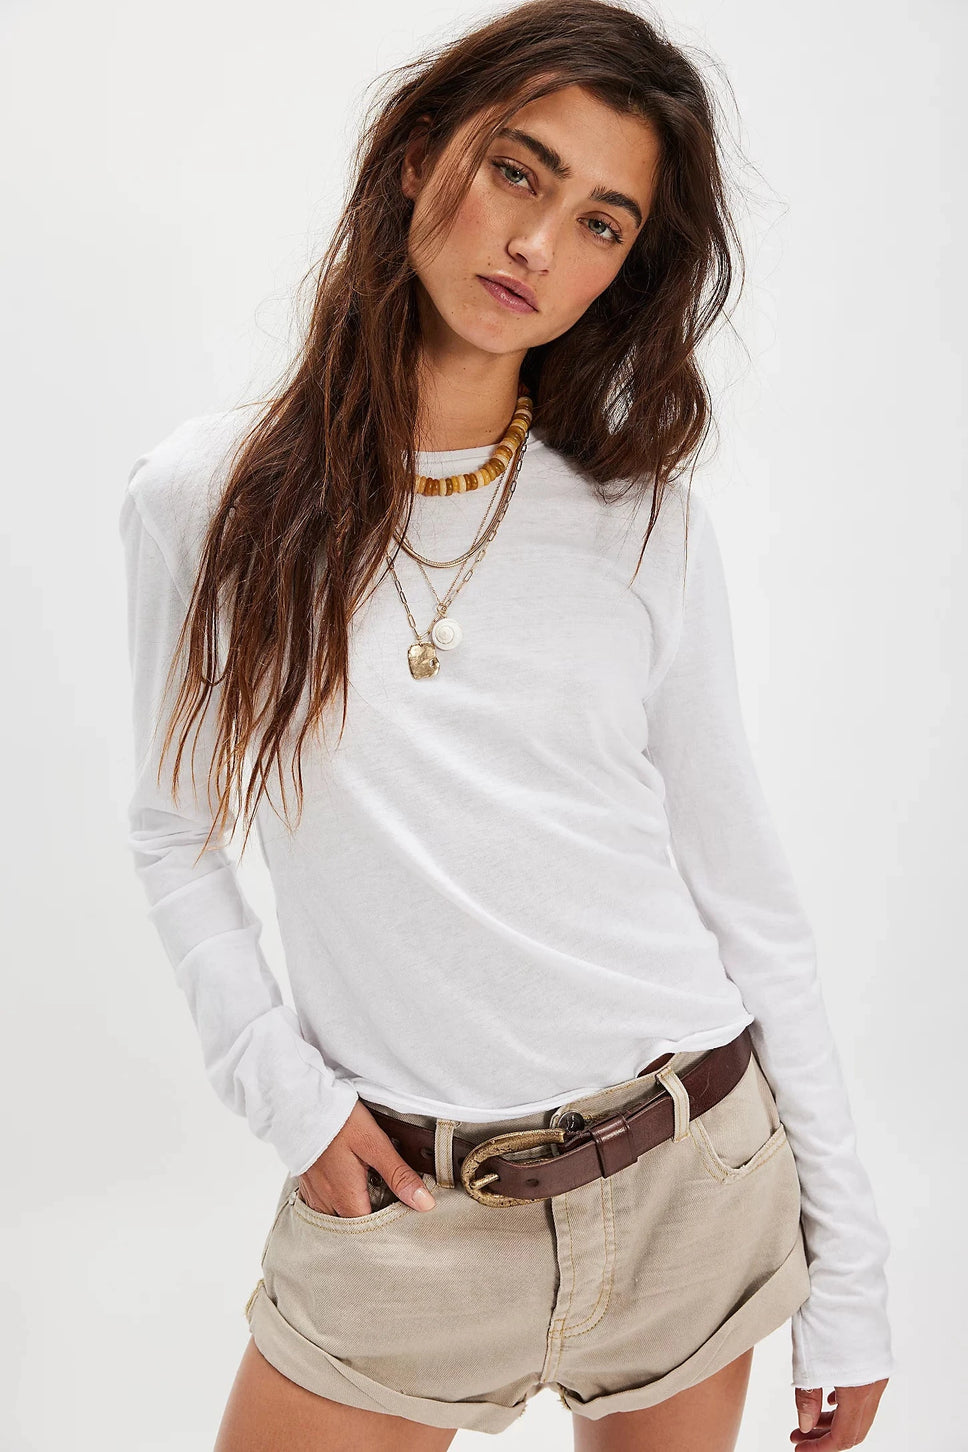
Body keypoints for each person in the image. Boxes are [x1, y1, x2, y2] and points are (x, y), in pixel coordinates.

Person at [119, 1, 893, 1447]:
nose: (538, 243)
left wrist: (853, 1281)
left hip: (689, 1176)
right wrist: (290, 1102)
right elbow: (175, 835)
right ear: (423, 154)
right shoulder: (207, 500)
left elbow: (748, 898)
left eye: (602, 222)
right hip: (404, 1211)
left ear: (625, 270)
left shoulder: (642, 525)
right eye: (518, 170)